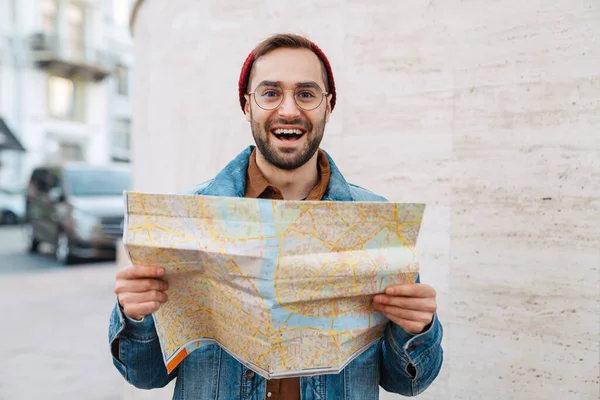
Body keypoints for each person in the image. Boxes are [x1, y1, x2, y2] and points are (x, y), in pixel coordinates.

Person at [109, 33, 443, 400]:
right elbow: (145, 375)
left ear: (328, 106)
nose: (288, 110)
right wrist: (136, 317)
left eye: (306, 93)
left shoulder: (378, 225)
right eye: (270, 93)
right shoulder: (185, 220)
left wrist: (417, 328)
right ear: (246, 105)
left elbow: (408, 381)